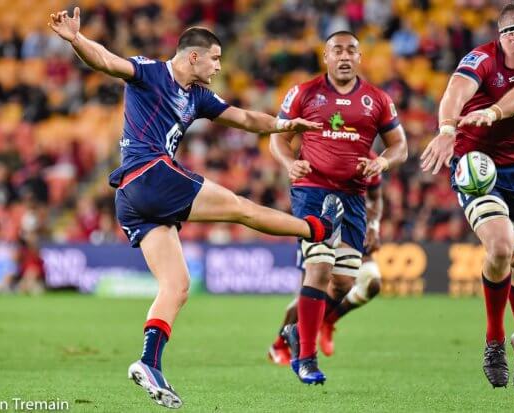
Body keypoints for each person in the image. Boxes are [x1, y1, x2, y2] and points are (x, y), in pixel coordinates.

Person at [49, 7, 344, 409]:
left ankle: (148, 363)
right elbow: (106, 61)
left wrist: (283, 125)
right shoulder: (151, 73)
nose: (220, 66)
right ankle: (318, 229)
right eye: (216, 58)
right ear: (193, 57)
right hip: (150, 174)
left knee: (177, 286)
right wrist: (76, 40)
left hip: (133, 200)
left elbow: (242, 118)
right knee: (241, 208)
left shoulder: (199, 97)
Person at [420, 1, 514, 397]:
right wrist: (446, 129)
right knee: (500, 246)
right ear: (512, 34)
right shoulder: (480, 58)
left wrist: (493, 113)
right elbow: (455, 91)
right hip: (475, 164)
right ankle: (495, 338)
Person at [268, 31, 407, 385]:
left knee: (344, 281)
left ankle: (298, 332)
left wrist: (383, 164)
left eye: (351, 51)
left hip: (353, 196)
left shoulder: (377, 99)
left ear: (360, 57)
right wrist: (289, 163)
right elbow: (277, 138)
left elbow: (399, 147)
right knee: (318, 268)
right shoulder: (303, 92)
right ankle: (306, 359)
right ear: (325, 56)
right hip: (312, 191)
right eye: (337, 50)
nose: (344, 57)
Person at [268, 150, 384, 365]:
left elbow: (376, 199)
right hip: (322, 222)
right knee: (309, 294)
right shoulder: (322, 148)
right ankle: (279, 343)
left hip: (354, 224)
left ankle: (329, 320)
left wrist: (374, 227)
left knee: (372, 283)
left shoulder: (371, 160)